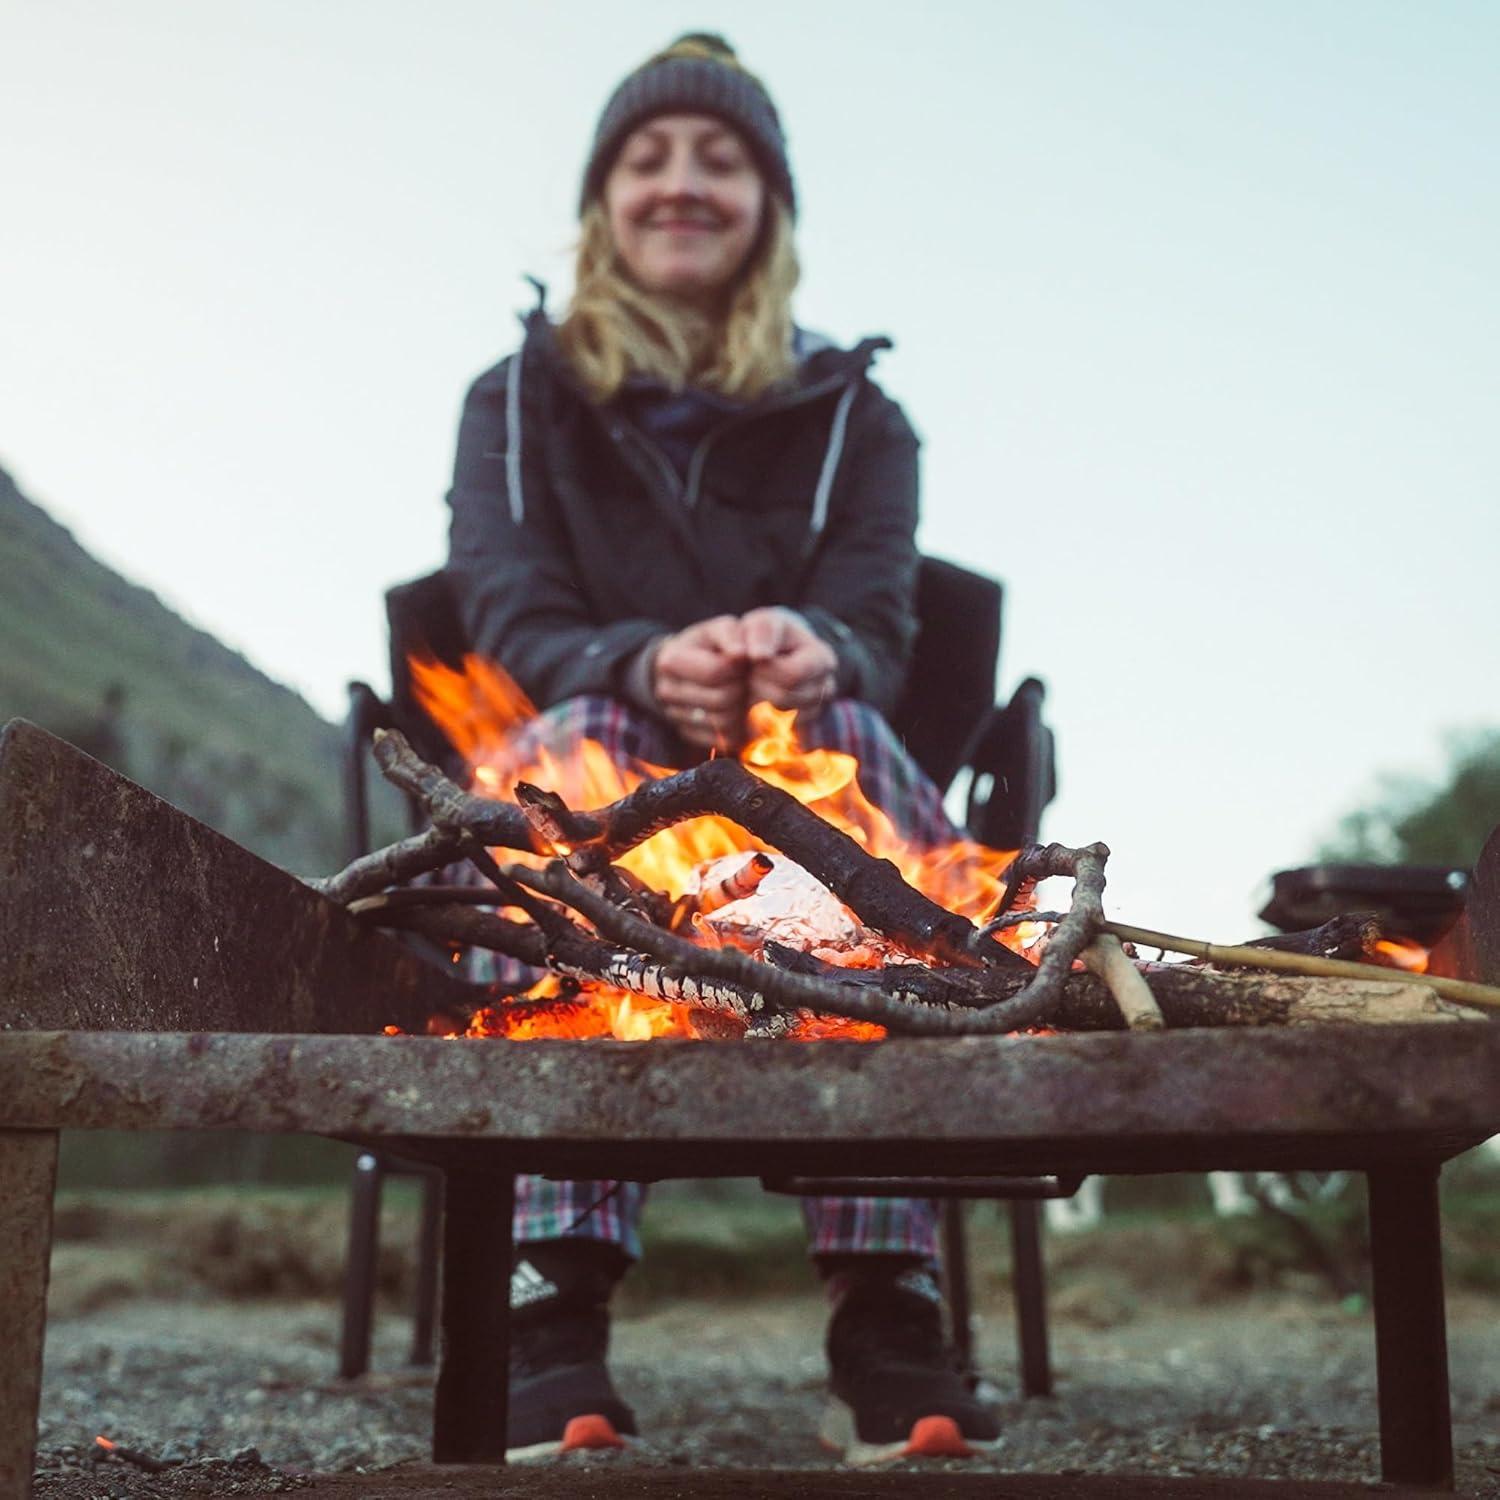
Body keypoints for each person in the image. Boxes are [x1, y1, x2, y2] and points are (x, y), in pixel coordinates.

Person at [444, 33, 1001, 1466]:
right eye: (649, 158)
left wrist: (823, 652)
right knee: (566, 758)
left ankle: (887, 1302)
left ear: (769, 205)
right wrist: (637, 659)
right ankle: (551, 1301)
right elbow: (506, 612)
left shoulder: (860, 417)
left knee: (857, 735)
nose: (682, 183)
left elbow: (880, 619)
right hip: (600, 736)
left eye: (720, 158)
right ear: (602, 200)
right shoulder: (516, 399)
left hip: (801, 784)